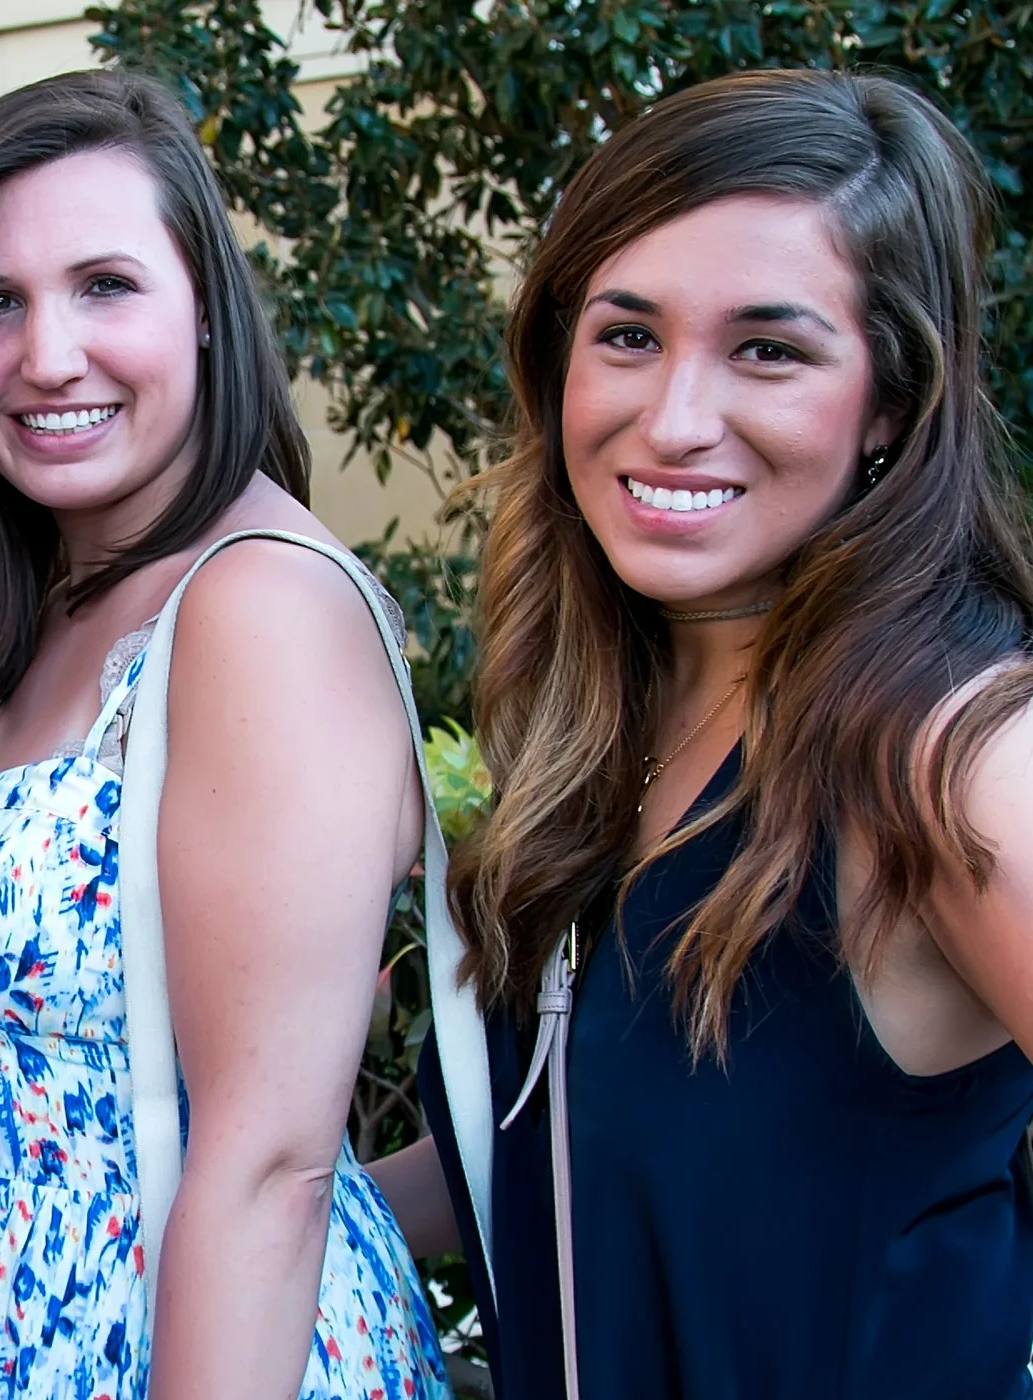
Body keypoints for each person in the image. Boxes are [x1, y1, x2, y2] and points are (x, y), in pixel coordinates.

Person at [382, 67, 1033, 1399]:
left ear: (892, 403)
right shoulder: (608, 724)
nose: (675, 420)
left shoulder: (954, 749)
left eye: (769, 349)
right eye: (628, 335)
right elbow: (584, 1154)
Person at [0, 69, 447, 1400]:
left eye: (105, 286)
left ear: (205, 312)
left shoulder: (258, 607)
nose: (47, 355)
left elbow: (268, 1161)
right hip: (11, 1330)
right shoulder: (69, 604)